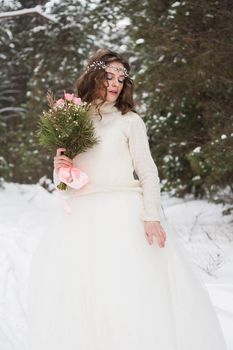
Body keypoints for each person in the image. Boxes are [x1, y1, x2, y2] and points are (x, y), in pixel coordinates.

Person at [27, 48, 227, 350]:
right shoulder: (72, 120)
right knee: (86, 297)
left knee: (129, 295)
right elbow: (65, 185)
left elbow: (147, 171)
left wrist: (151, 216)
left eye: (121, 77)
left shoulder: (129, 120)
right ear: (94, 76)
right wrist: (60, 170)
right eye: (109, 75)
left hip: (124, 214)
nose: (116, 83)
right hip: (82, 220)